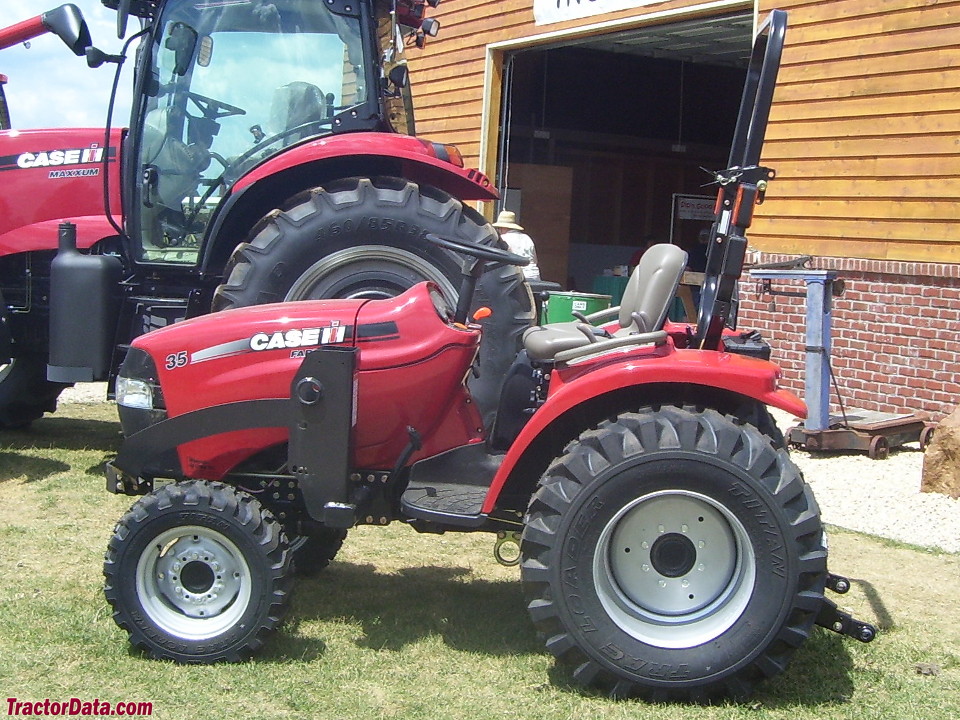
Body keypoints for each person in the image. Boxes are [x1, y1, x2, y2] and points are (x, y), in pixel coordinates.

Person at [493, 210, 541, 280]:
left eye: (499, 228)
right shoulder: (527, 238)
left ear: (503, 227)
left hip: (518, 277)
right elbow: (534, 260)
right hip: (534, 276)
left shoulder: (503, 239)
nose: (498, 230)